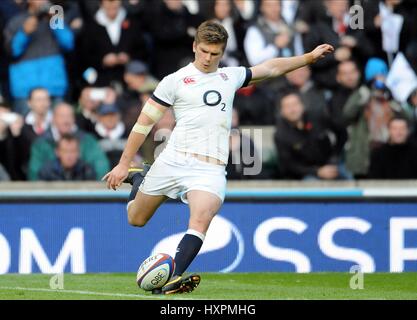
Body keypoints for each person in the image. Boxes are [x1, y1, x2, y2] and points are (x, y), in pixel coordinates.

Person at [102, 20, 333, 294]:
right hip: (174, 158)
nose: (208, 58)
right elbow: (143, 123)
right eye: (204, 51)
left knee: (201, 219)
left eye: (215, 54)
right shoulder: (174, 81)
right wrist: (124, 163)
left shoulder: (229, 76)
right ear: (194, 47)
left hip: (209, 169)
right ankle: (140, 178)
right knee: (136, 219)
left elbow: (271, 68)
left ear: (222, 53)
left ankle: (170, 279)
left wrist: (308, 57)